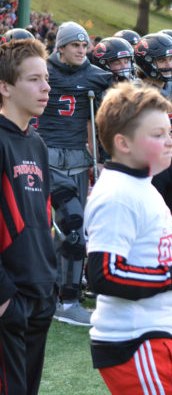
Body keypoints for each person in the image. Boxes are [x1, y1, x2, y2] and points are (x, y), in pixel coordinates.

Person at [85, 82, 172, 394]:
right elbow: (103, 274)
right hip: (138, 342)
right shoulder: (118, 194)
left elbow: (147, 258)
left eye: (170, 132)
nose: (171, 142)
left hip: (152, 339)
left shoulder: (141, 186)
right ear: (123, 143)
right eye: (158, 135)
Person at [36, 21, 112, 326]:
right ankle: (60, 297)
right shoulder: (42, 71)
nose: (81, 51)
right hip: (45, 156)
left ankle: (64, 296)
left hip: (78, 159)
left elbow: (100, 122)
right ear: (61, 47)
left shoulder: (95, 77)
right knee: (67, 224)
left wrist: (104, 158)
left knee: (75, 230)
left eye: (84, 46)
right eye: (75, 45)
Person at [0, 38, 58, 394]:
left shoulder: (36, 142)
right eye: (34, 79)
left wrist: (49, 281)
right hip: (10, 299)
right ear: (5, 87)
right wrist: (6, 298)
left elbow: (42, 215)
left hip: (40, 291)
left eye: (46, 78)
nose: (46, 87)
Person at [133, 33, 172, 262]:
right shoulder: (134, 92)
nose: (169, 65)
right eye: (162, 60)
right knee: (151, 231)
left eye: (171, 59)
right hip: (148, 169)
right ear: (147, 62)